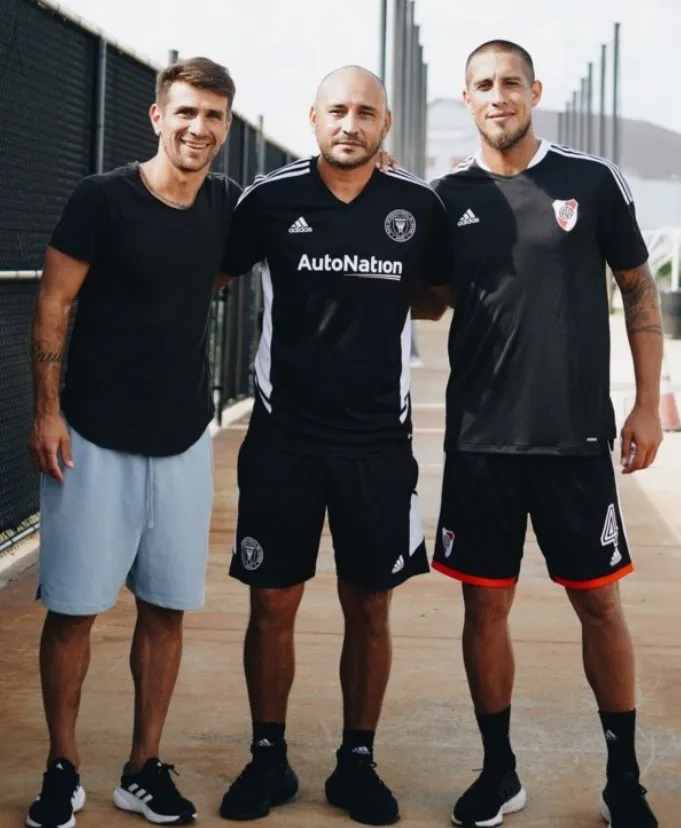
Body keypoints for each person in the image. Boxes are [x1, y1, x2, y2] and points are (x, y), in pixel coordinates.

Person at [425, 40, 662, 828]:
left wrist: (643, 404)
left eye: (510, 84)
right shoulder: (444, 196)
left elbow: (637, 290)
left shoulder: (589, 182)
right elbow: (424, 299)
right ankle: (499, 774)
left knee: (599, 607)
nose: (498, 96)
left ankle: (622, 780)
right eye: (483, 85)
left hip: (573, 444)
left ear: (534, 91)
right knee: (482, 612)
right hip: (480, 445)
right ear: (466, 98)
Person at [217, 65, 451, 825]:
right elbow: (212, 277)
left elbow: (436, 296)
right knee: (272, 603)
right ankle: (268, 759)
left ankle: (357, 762)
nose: (350, 124)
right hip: (283, 439)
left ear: (385, 127)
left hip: (378, 444)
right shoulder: (268, 198)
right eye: (337, 111)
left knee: (370, 608)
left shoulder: (417, 205)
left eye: (365, 113)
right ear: (313, 118)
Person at [26, 57, 240, 828]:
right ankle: (62, 766)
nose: (199, 128)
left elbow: (287, 221)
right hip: (90, 438)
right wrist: (47, 412)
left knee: (166, 609)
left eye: (213, 116)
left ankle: (142, 769)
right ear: (157, 117)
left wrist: (372, 164)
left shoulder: (226, 206)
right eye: (185, 112)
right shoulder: (102, 200)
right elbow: (52, 303)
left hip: (182, 440)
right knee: (75, 610)